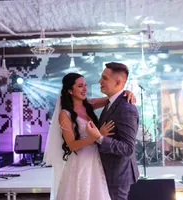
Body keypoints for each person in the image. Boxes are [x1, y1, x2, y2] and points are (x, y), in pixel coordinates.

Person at [43, 72, 135, 200]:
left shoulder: (90, 105)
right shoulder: (65, 115)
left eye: (85, 85)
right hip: (81, 161)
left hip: (97, 158)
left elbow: (114, 98)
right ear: (70, 90)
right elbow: (72, 145)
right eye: (80, 86)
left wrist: (127, 93)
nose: (85, 89)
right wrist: (96, 136)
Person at [86, 62, 140, 200]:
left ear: (118, 82)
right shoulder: (111, 102)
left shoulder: (126, 108)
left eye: (104, 78)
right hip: (104, 171)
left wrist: (99, 138)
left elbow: (127, 148)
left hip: (117, 175)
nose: (100, 81)